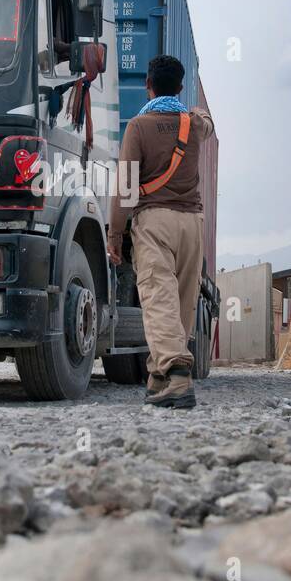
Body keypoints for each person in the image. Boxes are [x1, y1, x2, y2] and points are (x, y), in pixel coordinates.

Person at [107, 55, 214, 408]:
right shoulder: (194, 125)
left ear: (147, 85)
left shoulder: (139, 126)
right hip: (192, 225)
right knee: (181, 305)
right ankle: (158, 377)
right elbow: (207, 122)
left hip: (155, 222)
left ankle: (179, 377)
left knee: (157, 300)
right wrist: (198, 111)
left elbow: (125, 188)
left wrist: (114, 236)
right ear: (180, 88)